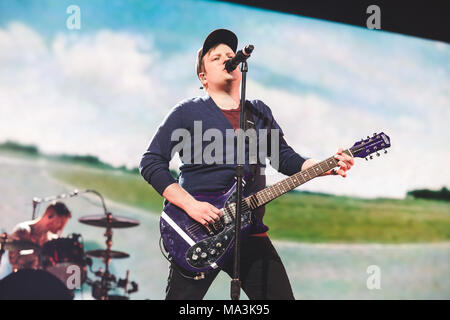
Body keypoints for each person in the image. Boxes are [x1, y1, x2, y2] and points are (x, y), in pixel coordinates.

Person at [139, 29, 354, 300]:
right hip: (198, 232)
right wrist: (190, 205)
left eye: (230, 56)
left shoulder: (259, 112)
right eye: (215, 57)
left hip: (250, 232)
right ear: (203, 77)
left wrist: (324, 165)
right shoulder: (187, 111)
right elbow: (151, 162)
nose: (227, 59)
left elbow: (285, 158)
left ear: (240, 66)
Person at [8, 201, 71, 272]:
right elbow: (13, 260)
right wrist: (39, 252)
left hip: (39, 280)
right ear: (50, 215)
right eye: (60, 222)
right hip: (19, 278)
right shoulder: (24, 230)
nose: (61, 228)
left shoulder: (50, 239)